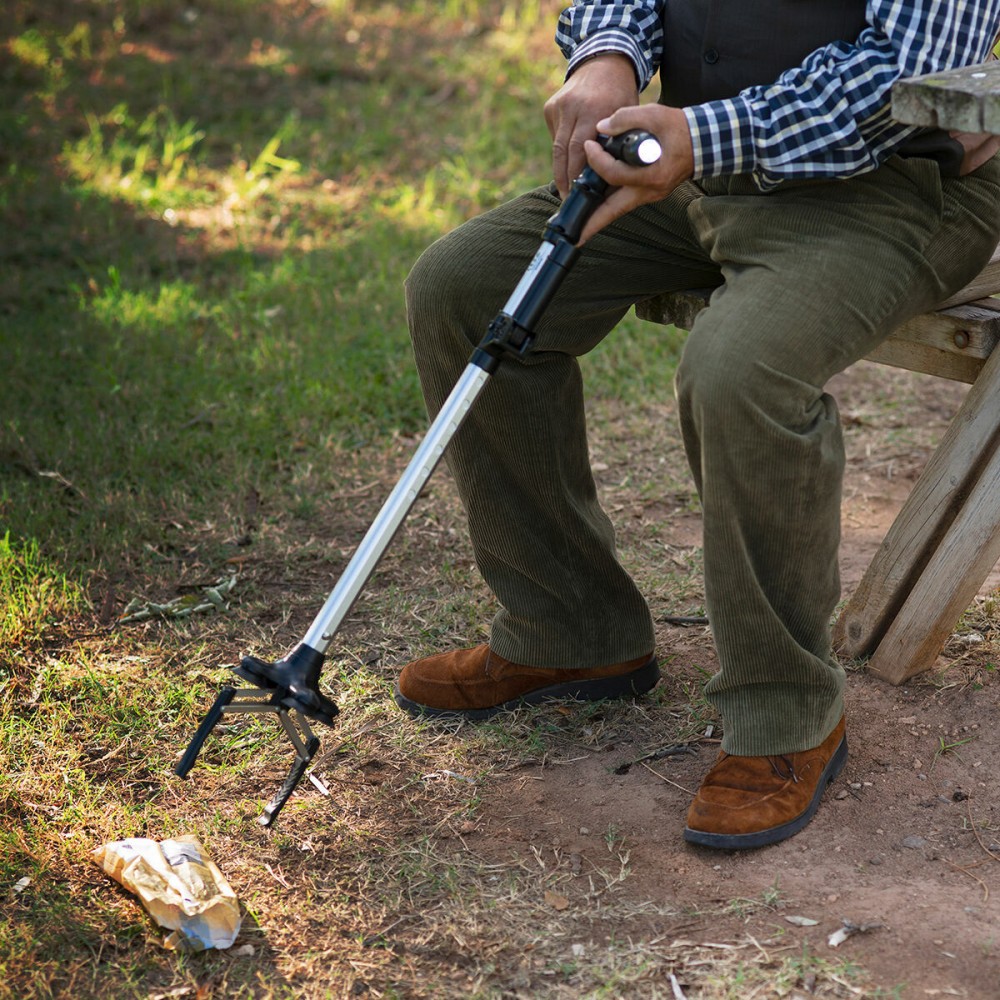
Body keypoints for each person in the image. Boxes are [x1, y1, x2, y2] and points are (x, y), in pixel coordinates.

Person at [393, 1, 1000, 850]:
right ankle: (570, 629)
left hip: (885, 190)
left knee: (738, 370)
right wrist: (605, 56)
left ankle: (785, 715)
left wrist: (699, 136)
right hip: (697, 171)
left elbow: (900, 72)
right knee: (462, 286)